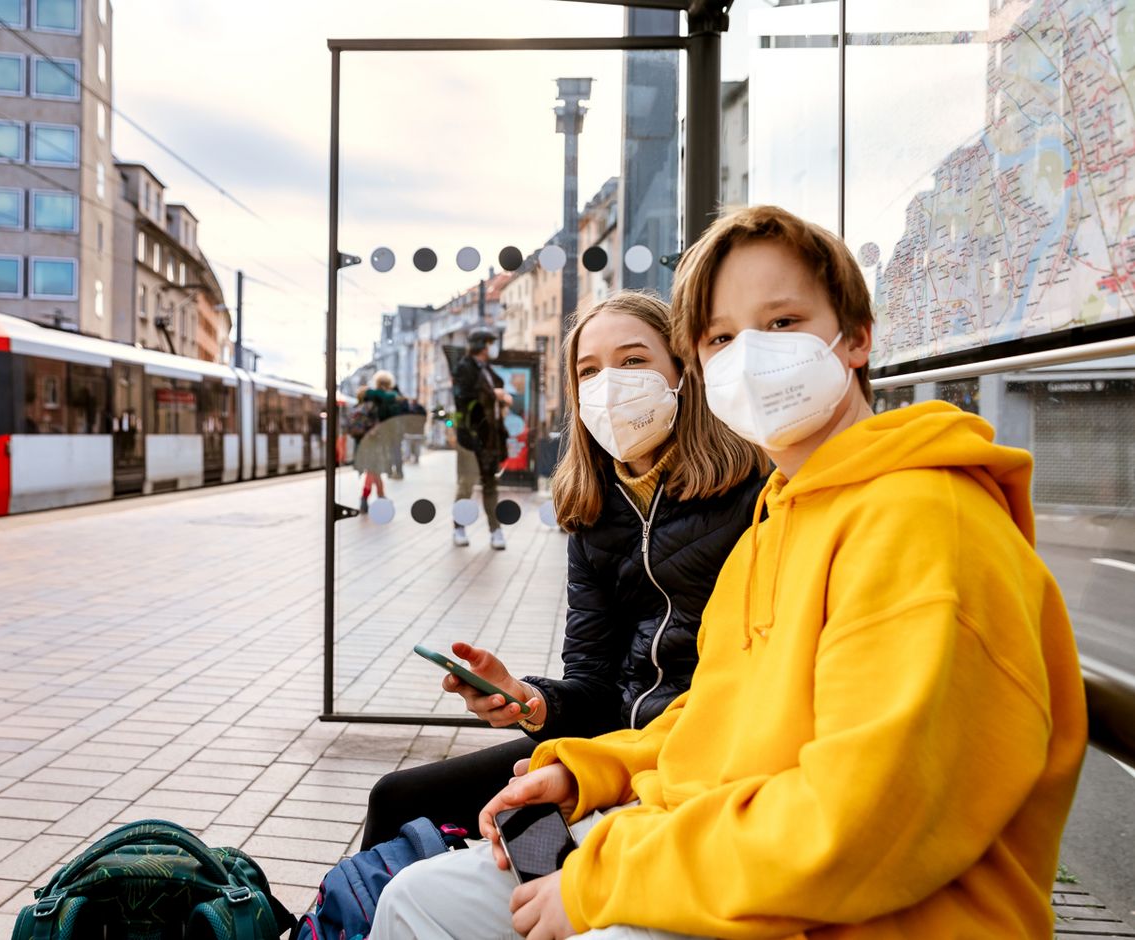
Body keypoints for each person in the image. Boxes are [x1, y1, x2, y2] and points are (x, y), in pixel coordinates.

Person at [369, 205, 1087, 939]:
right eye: (721, 337)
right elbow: (710, 718)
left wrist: (604, 873)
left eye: (781, 323)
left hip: (863, 909)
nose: (750, 354)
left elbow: (856, 827)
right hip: (707, 835)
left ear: (857, 338)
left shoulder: (926, 521)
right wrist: (590, 769)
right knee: (415, 901)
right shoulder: (776, 524)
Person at [360, 291, 768, 849]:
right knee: (397, 798)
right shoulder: (592, 508)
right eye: (589, 372)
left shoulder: (753, 492)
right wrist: (525, 697)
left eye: (633, 361)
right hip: (610, 737)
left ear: (681, 371)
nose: (609, 385)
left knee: (520, 851)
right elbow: (594, 684)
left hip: (703, 752)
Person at [452, 328, 515, 549]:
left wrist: (501, 398)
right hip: (470, 437)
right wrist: (494, 395)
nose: (492, 347)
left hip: (489, 437)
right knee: (466, 484)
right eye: (490, 343)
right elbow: (464, 397)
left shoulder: (487, 369)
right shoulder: (464, 368)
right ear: (481, 345)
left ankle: (495, 530)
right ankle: (459, 527)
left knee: (490, 483)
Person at [355, 371, 403, 513]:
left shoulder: (367, 395)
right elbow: (394, 421)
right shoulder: (391, 398)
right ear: (389, 384)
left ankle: (381, 497)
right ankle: (364, 499)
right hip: (377, 440)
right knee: (373, 469)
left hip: (364, 439)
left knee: (374, 470)